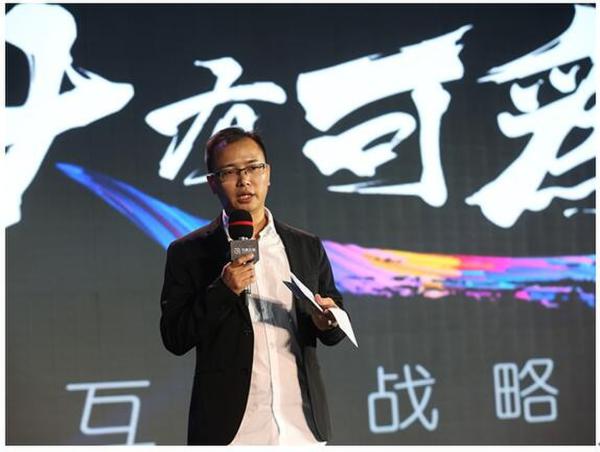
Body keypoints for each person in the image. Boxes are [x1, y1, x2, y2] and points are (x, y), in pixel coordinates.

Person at [159, 127, 347, 445]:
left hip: (302, 427)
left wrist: (327, 321)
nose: (244, 180)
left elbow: (334, 321)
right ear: (213, 183)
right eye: (230, 172)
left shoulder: (306, 246)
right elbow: (175, 337)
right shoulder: (188, 252)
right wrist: (223, 290)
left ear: (267, 174)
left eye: (253, 167)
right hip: (232, 431)